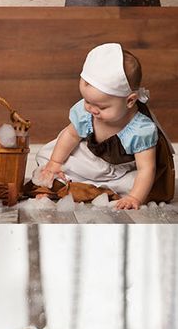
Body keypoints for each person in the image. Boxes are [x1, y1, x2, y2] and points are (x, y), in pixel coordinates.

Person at [38, 41, 159, 211]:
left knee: (138, 183)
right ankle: (76, 182)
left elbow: (146, 168)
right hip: (89, 161)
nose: (91, 109)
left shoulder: (140, 129)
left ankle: (98, 188)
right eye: (87, 101)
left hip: (118, 172)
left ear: (130, 100)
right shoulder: (86, 111)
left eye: (101, 107)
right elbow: (71, 135)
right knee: (47, 153)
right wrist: (55, 162)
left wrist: (135, 197)